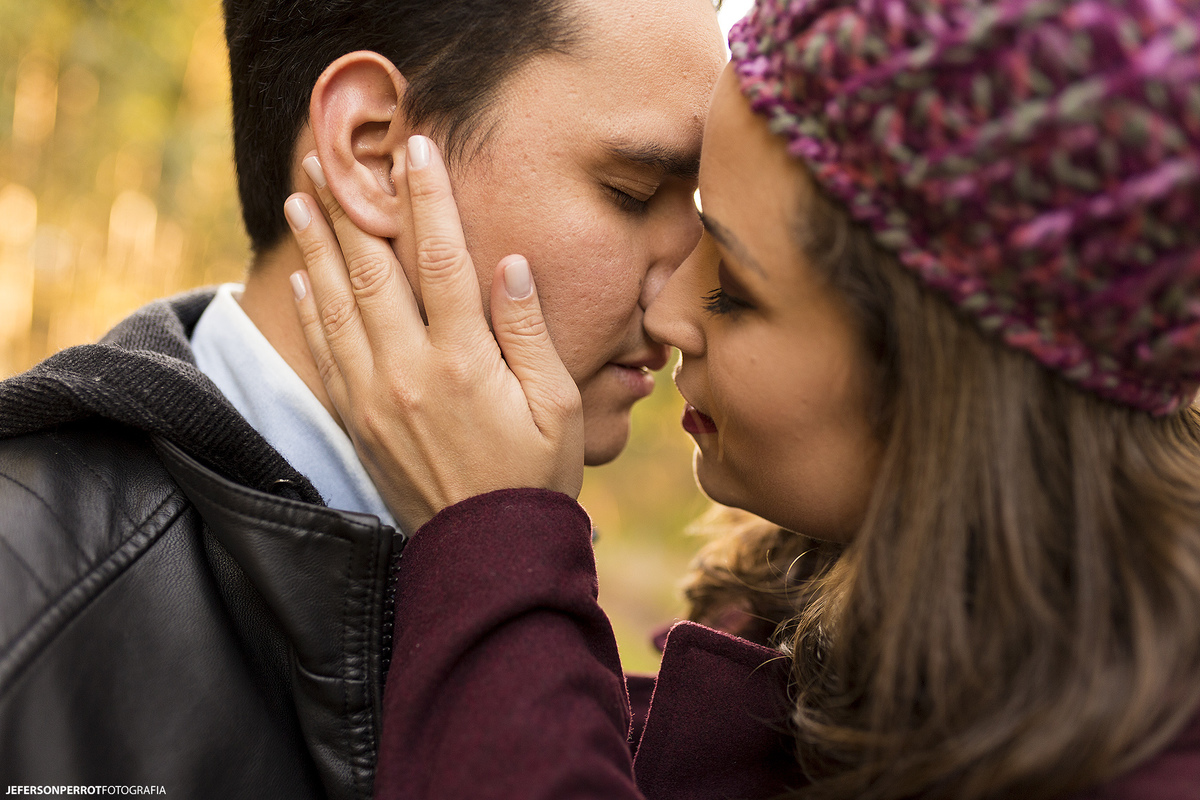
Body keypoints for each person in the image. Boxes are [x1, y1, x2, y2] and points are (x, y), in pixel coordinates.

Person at [284, 0, 1200, 797]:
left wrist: (491, 548)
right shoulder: (798, 618)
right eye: (648, 195)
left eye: (740, 290)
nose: (673, 307)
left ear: (945, 392)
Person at [0, 0, 723, 796]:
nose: (684, 301)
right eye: (633, 190)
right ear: (375, 154)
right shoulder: (24, 601)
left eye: (697, 213)